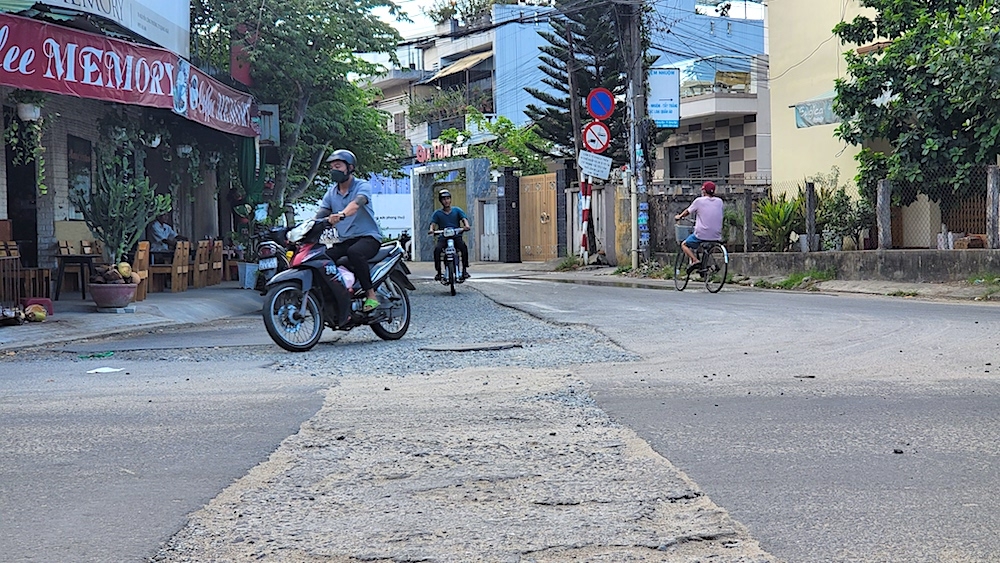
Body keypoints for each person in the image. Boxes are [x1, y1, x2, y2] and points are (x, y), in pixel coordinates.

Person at [314, 149, 383, 312]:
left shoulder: (362, 185)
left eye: (338, 166)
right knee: (322, 258)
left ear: (350, 168)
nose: (334, 170)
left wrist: (342, 214)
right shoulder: (331, 192)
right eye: (332, 167)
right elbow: (321, 214)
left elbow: (357, 203)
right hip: (345, 240)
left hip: (368, 238)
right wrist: (307, 227)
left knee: (355, 253)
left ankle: (371, 295)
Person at [674, 181, 724, 273]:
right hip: (716, 235)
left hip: (701, 234)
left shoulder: (699, 201)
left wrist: (679, 216)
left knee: (684, 244)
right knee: (708, 246)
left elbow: (687, 212)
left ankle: (695, 260)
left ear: (704, 191)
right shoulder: (719, 201)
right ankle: (705, 268)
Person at [428, 189, 471, 281]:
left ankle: (464, 270)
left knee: (463, 248)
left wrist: (466, 226)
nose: (446, 201)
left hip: (456, 236)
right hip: (443, 237)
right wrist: (432, 230)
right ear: (441, 201)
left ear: (450, 200)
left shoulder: (457, 210)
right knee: (437, 250)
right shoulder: (437, 213)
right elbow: (432, 224)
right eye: (444, 199)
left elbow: (464, 219)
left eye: (448, 198)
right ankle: (439, 272)